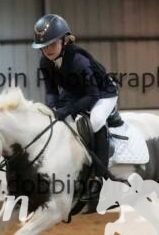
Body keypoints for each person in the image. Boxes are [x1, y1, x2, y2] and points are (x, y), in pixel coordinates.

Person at [32, 14, 118, 179]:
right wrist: (52, 109)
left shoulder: (78, 60)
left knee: (96, 120)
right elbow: (52, 91)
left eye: (52, 44)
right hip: (75, 92)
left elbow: (92, 95)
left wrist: (65, 110)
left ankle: (100, 174)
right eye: (43, 46)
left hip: (102, 92)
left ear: (65, 41)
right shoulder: (44, 62)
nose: (48, 50)